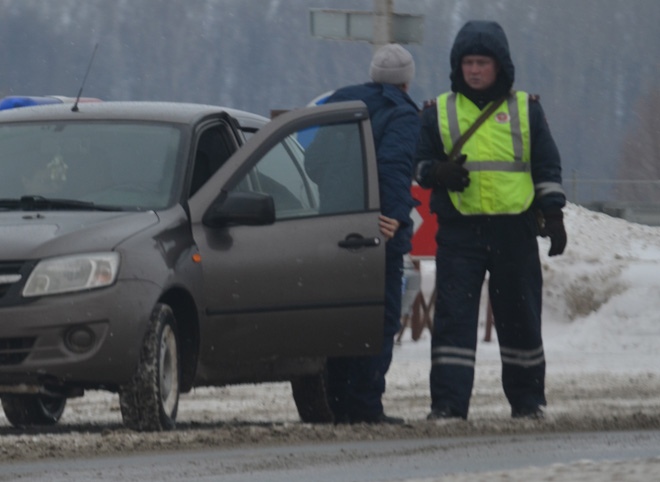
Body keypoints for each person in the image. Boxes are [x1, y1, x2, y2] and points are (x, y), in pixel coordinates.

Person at [414, 20, 567, 420]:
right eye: (468, 62)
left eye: (482, 62)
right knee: (453, 322)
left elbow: (546, 166)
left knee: (521, 319)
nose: (475, 70)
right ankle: (448, 405)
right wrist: (437, 174)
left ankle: (528, 401)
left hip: (513, 230)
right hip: (460, 231)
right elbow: (417, 165)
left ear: (500, 66)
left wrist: (554, 216)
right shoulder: (438, 112)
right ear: (457, 66)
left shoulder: (526, 110)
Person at [305, 43, 421, 424]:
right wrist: (395, 217)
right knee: (380, 319)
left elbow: (314, 162)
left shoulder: (342, 103)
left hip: (333, 227)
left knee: (343, 317)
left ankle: (337, 401)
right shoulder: (402, 113)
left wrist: (341, 197)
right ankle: (365, 405)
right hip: (376, 233)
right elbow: (394, 168)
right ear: (407, 81)